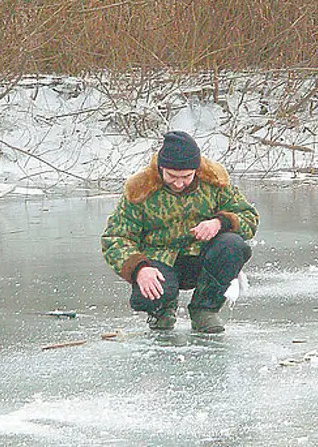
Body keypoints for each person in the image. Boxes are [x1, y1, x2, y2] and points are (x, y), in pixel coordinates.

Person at [102, 131, 259, 332]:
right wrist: (139, 269)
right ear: (161, 168)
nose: (178, 183)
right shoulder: (141, 189)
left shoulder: (214, 182)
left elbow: (249, 217)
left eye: (186, 177)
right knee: (146, 297)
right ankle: (162, 310)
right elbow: (115, 238)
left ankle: (205, 310)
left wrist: (219, 222)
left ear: (196, 170)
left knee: (233, 246)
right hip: (159, 262)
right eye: (172, 176)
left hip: (201, 258)